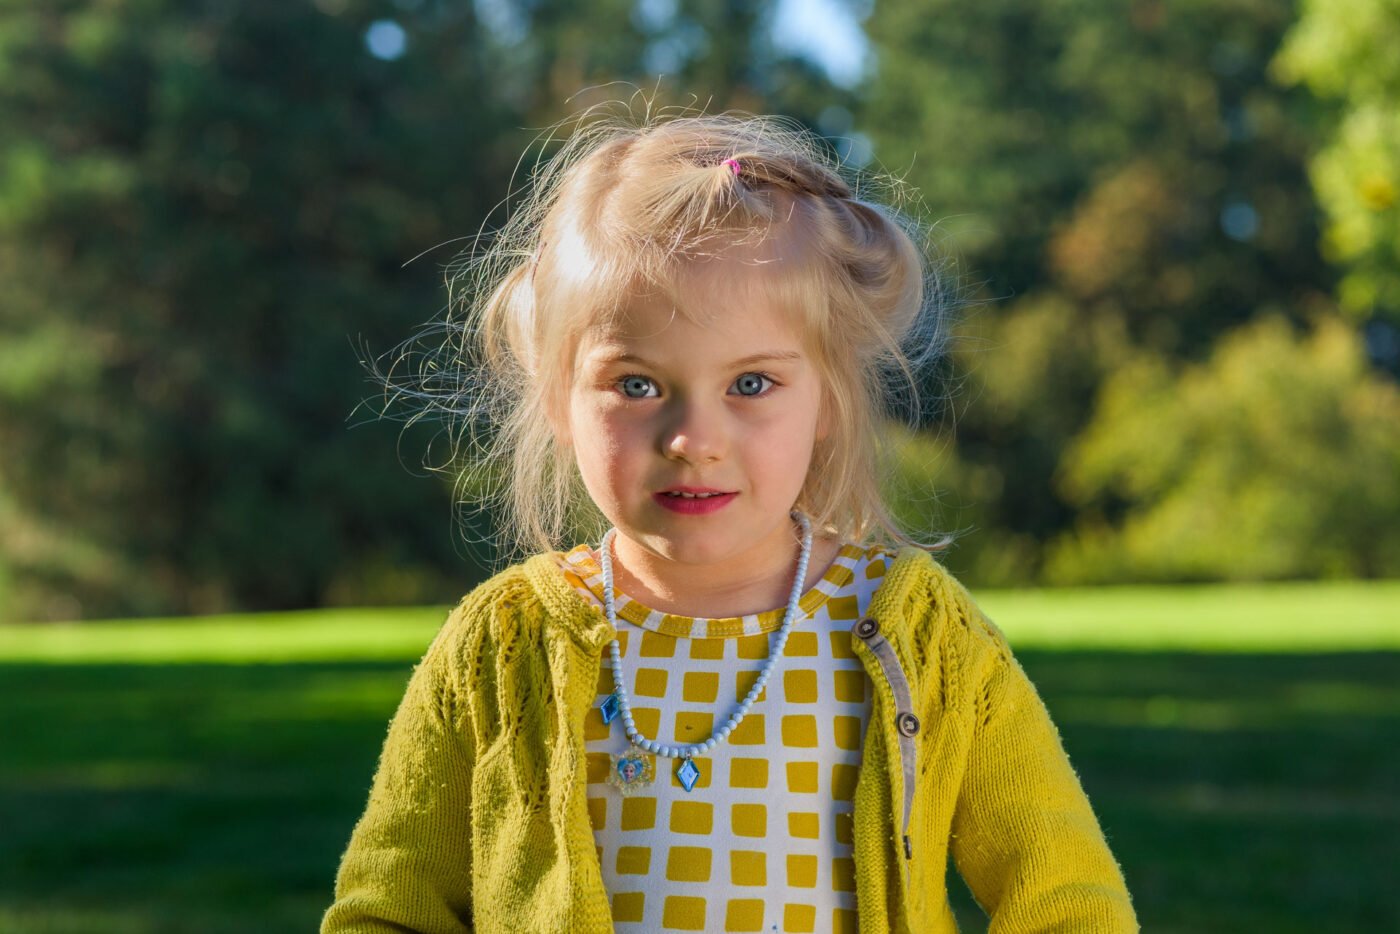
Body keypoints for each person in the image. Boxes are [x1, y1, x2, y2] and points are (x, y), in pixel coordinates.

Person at [322, 102, 1137, 933]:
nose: (693, 440)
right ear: (559, 399)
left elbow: (1068, 902)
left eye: (751, 384)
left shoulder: (920, 635)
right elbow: (388, 913)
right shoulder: (502, 644)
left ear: (829, 398)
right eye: (636, 384)